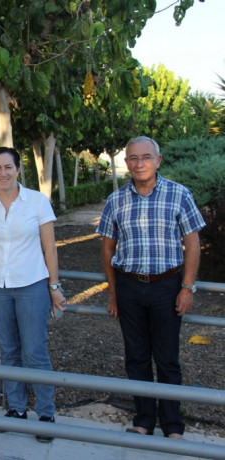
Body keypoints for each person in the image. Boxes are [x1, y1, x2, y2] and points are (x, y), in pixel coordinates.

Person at [96, 136, 205, 439]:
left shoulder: (179, 194)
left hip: (167, 287)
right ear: (126, 163)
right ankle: (144, 419)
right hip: (129, 287)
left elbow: (193, 244)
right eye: (133, 158)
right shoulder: (116, 199)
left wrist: (187, 287)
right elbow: (107, 250)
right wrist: (114, 292)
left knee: (167, 357)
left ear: (158, 160)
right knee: (136, 356)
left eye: (146, 157)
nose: (139, 163)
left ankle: (173, 425)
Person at [0, 147, 65, 442]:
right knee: (8, 349)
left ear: (18, 169)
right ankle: (16, 409)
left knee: (35, 351)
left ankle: (46, 414)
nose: (3, 173)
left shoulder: (37, 202)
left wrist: (53, 286)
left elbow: (49, 247)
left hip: (31, 286)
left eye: (8, 167)